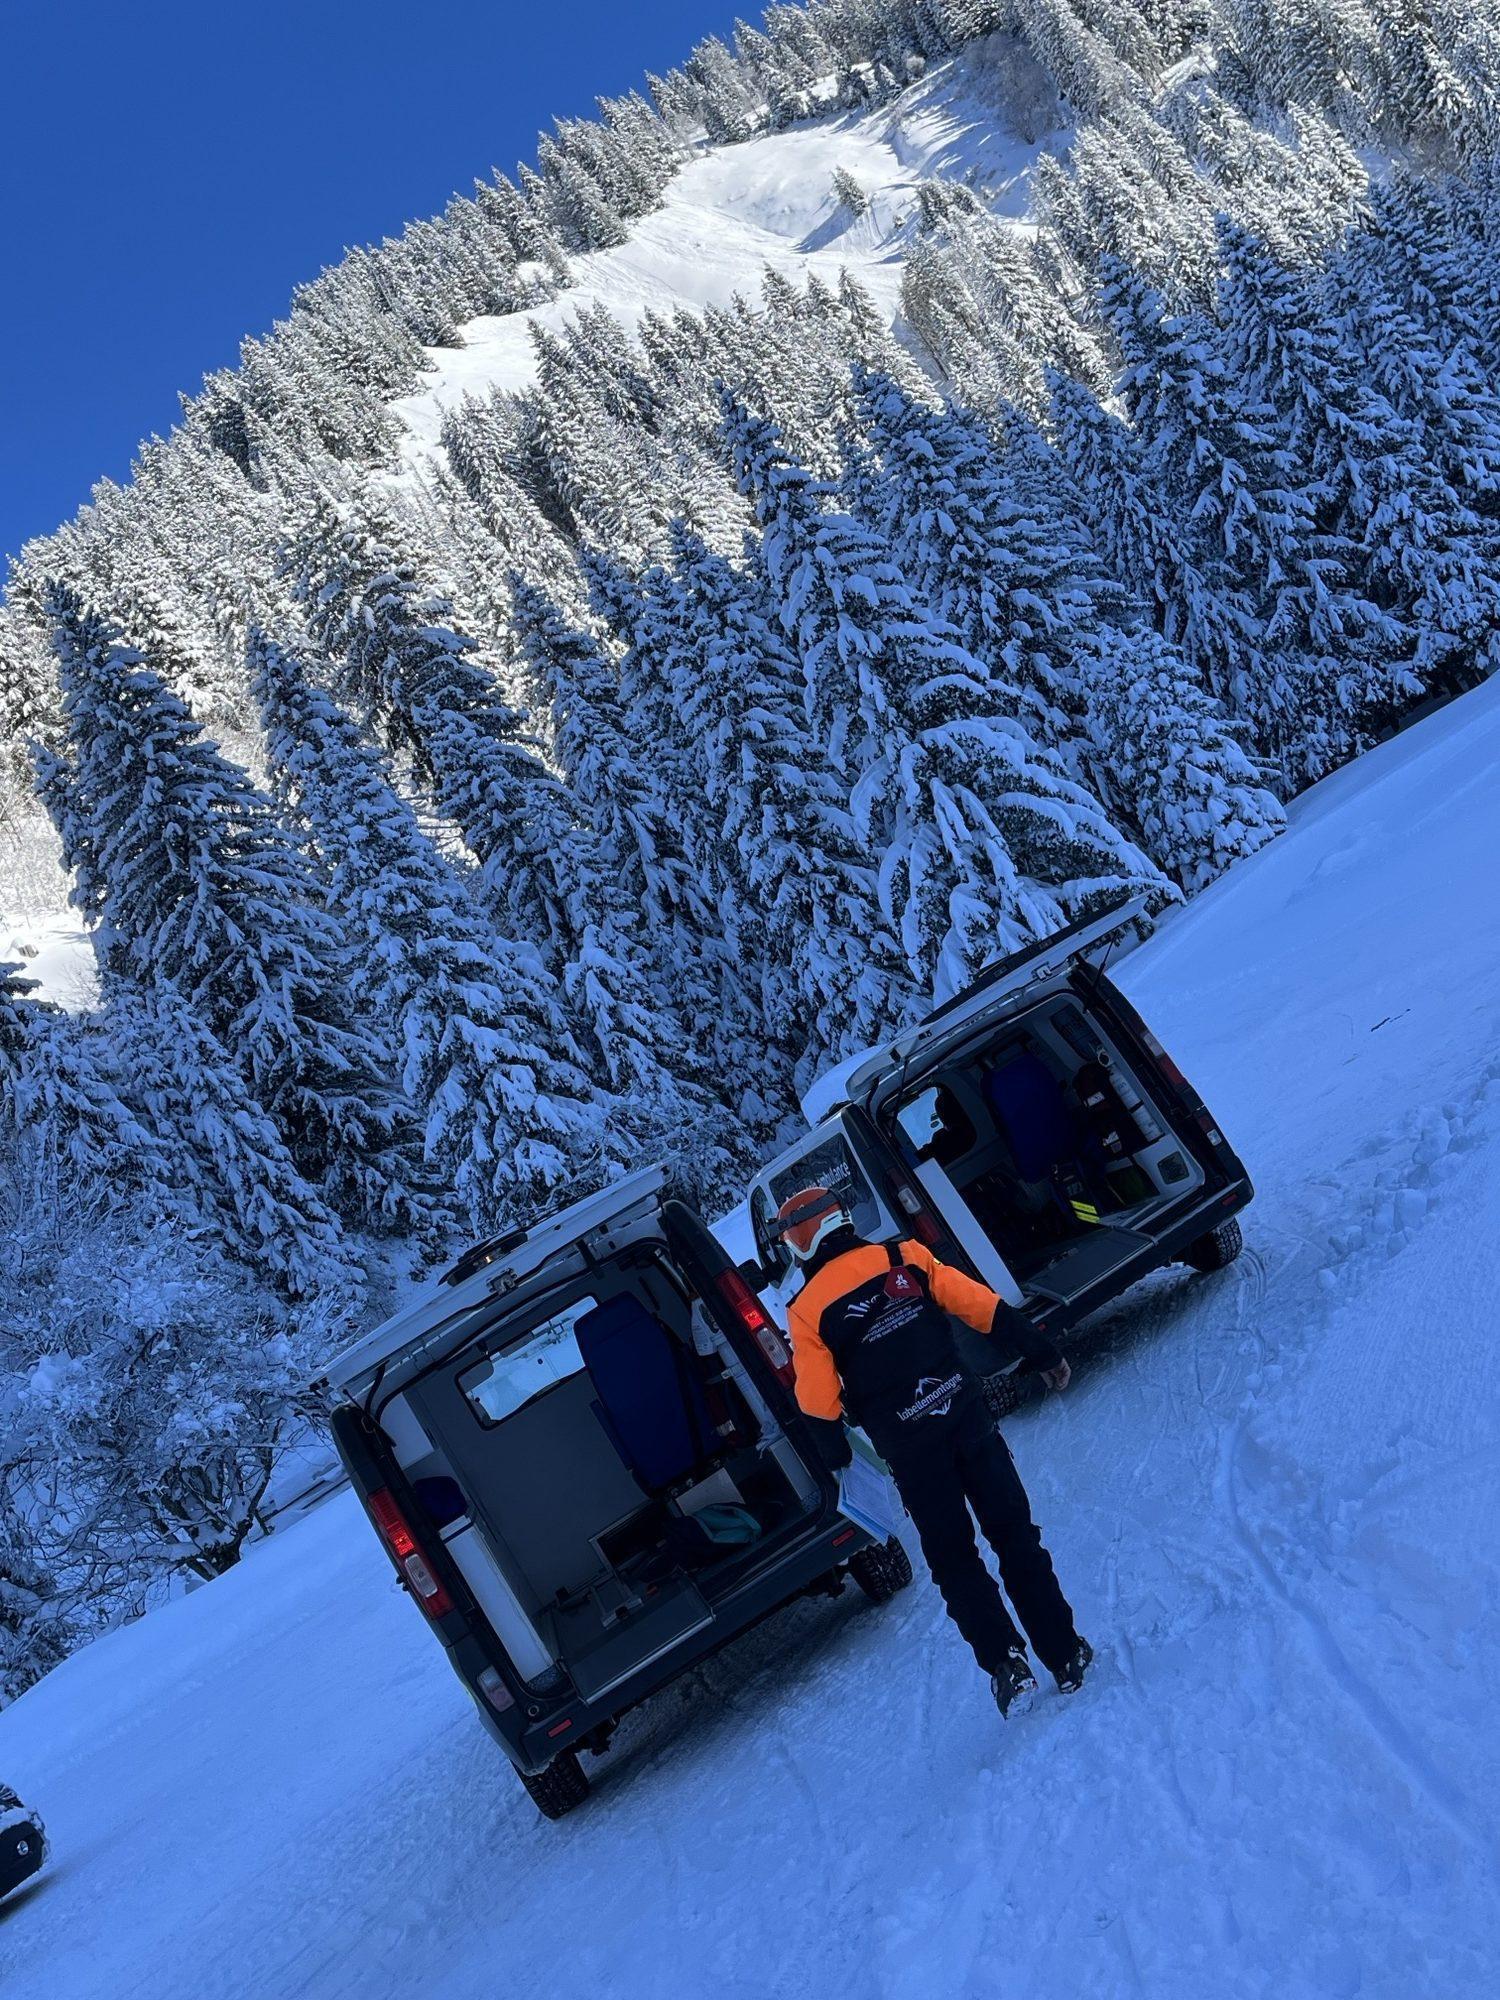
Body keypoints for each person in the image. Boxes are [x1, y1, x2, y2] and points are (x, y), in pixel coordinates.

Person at [778, 1183, 1092, 1717]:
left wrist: (837, 1461)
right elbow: (983, 1308)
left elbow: (818, 1405)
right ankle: (1065, 1656)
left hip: (911, 1452)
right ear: (842, 1219)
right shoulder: (904, 1256)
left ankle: (1006, 1665)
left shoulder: (806, 1309)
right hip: (968, 1421)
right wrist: (1043, 1353)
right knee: (1015, 1535)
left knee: (953, 1558)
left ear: (800, 1242)